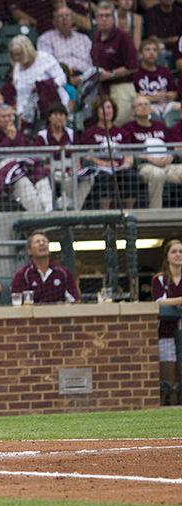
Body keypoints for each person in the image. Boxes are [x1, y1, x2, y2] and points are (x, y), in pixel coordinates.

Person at [0, 105, 53, 212]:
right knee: (23, 183)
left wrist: (15, 137)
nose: (7, 119)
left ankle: (49, 213)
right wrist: (9, 139)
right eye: (3, 117)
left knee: (42, 178)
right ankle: (40, 216)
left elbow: (28, 151)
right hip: (4, 171)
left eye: (9, 116)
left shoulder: (19, 134)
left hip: (25, 167)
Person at [122, 95, 182, 209]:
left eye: (146, 104)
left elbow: (172, 147)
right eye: (140, 105)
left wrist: (170, 156)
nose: (144, 107)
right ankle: (156, 212)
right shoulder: (128, 128)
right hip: (145, 166)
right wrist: (148, 158)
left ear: (151, 108)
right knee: (157, 174)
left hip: (166, 165)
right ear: (133, 110)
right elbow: (127, 152)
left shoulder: (160, 125)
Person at [78, 95, 137, 209]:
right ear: (97, 111)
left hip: (119, 167)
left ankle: (128, 213)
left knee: (130, 176)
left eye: (109, 107)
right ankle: (106, 215)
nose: (107, 111)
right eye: (103, 108)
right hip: (99, 168)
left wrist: (125, 165)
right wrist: (104, 163)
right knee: (105, 178)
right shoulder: (90, 133)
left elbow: (128, 155)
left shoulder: (122, 132)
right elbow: (88, 156)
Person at [91, 1, 139, 126]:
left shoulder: (123, 37)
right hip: (102, 89)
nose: (104, 19)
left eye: (107, 15)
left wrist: (111, 74)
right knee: (105, 125)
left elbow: (132, 66)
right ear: (96, 19)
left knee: (120, 123)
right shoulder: (96, 37)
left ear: (114, 18)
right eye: (100, 16)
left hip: (121, 88)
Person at [36, 103, 91, 209]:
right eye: (55, 115)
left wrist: (76, 166)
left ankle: (74, 209)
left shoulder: (71, 134)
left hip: (70, 172)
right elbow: (40, 161)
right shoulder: (42, 136)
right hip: (51, 172)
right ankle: (63, 204)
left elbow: (77, 156)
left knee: (88, 178)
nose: (59, 118)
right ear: (49, 118)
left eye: (62, 115)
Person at [9, 35, 69, 127]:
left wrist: (42, 87)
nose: (18, 58)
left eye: (20, 54)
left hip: (55, 104)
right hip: (32, 111)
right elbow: (21, 94)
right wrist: (20, 113)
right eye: (15, 55)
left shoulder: (45, 58)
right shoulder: (17, 67)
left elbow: (62, 78)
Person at [151, 238, 182, 406]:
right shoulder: (160, 279)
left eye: (180, 251)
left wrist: (174, 301)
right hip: (166, 334)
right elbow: (159, 301)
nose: (178, 255)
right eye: (174, 252)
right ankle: (169, 407)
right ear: (167, 256)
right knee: (168, 377)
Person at [11, 231, 80, 304]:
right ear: (29, 251)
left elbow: (75, 300)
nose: (42, 243)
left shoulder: (64, 273)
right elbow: (17, 302)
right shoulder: (22, 275)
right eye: (37, 242)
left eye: (44, 241)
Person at [36, 6, 93, 77]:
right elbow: (47, 64)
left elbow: (93, 61)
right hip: (61, 77)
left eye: (67, 16)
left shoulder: (84, 39)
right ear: (54, 22)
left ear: (72, 20)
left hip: (86, 76)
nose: (64, 18)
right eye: (60, 16)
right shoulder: (45, 39)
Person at [132, 38, 179, 121]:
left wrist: (166, 95)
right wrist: (152, 98)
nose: (152, 52)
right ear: (140, 54)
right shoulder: (135, 73)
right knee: (151, 111)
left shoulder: (165, 71)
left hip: (166, 104)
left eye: (155, 50)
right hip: (147, 105)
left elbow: (175, 93)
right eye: (147, 49)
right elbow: (133, 95)